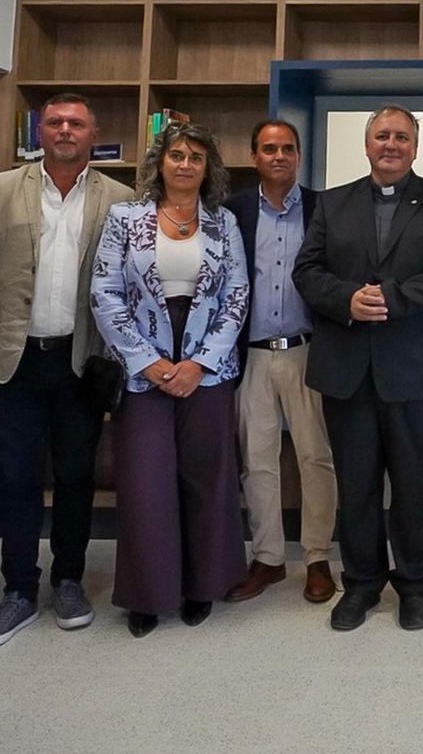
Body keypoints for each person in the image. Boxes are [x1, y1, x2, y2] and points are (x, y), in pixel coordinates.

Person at [0, 93, 133, 652]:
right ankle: (17, 589)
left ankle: (69, 580)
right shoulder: (1, 189)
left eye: (75, 123)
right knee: (16, 476)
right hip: (14, 360)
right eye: (54, 121)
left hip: (81, 361)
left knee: (78, 476)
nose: (64, 130)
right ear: (40, 129)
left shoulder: (121, 199)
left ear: (92, 132)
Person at [293, 104, 423, 632]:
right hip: (347, 369)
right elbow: (307, 271)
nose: (390, 144)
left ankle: (415, 585)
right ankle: (362, 584)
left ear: (415, 147)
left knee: (415, 483)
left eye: (401, 137)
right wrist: (348, 299)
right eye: (381, 136)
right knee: (357, 484)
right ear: (367, 144)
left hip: (418, 371)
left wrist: (393, 298)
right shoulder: (331, 204)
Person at [91, 123, 249, 638]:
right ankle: (148, 594)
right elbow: (105, 293)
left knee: (208, 476)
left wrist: (200, 362)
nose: (185, 164)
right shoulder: (124, 218)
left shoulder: (224, 223)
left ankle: (202, 585)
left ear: (209, 169)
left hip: (207, 366)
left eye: (196, 158)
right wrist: (147, 362)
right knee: (145, 480)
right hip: (143, 367)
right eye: (177, 155)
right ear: (160, 162)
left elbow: (237, 297)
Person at [223, 120, 337, 606]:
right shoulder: (233, 212)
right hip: (250, 353)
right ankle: (268, 558)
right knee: (257, 460)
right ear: (255, 156)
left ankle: (316, 557)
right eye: (268, 148)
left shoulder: (324, 208)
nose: (279, 156)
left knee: (316, 457)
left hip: (309, 349)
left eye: (287, 148)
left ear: (298, 155)